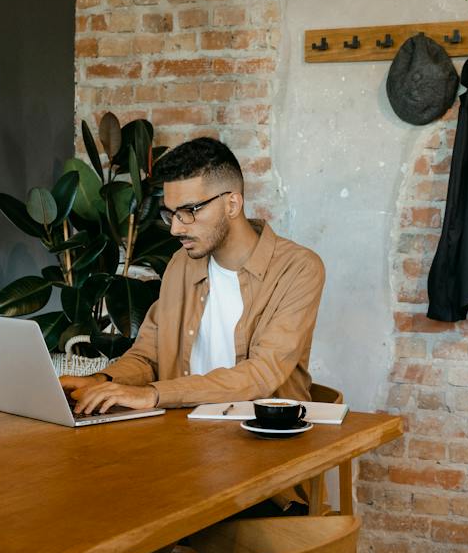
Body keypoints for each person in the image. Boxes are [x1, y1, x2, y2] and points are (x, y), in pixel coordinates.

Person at [62, 137, 325, 416]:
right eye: (170, 213)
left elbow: (261, 373)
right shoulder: (182, 264)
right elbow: (149, 355)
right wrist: (101, 381)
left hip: (266, 439)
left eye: (189, 211)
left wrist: (154, 394)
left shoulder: (297, 268)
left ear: (232, 204)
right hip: (184, 433)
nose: (175, 228)